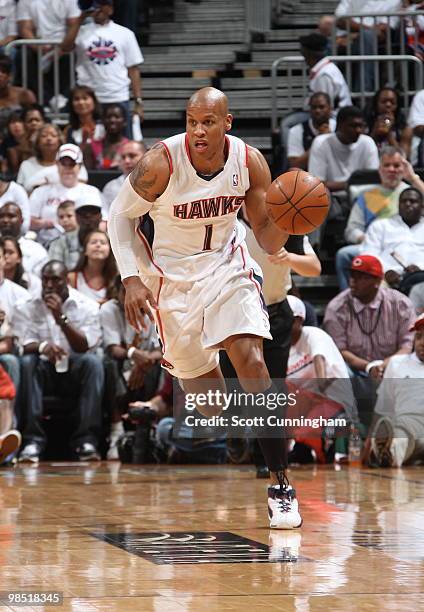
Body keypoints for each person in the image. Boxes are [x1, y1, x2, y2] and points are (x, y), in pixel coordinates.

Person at [108, 86, 302, 530]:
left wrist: (291, 220)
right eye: (192, 121)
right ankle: (237, 426)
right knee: (210, 404)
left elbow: (267, 238)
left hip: (227, 267)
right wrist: (131, 278)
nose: (198, 130)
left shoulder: (248, 161)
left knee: (253, 363)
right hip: (172, 283)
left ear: (226, 124)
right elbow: (119, 217)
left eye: (208, 122)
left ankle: (281, 484)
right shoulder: (161, 163)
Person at [18, 260, 104, 464]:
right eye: (45, 280)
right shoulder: (30, 305)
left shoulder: (87, 305)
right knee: (27, 362)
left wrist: (60, 318)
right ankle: (32, 441)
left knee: (93, 363)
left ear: (66, 280)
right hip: (44, 369)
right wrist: (42, 347)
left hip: (74, 369)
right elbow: (23, 344)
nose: (48, 285)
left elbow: (85, 345)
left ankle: (86, 441)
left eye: (54, 280)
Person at [323, 254, 415, 428]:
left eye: (361, 277)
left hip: (391, 365)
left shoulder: (399, 303)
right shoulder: (337, 307)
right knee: (338, 375)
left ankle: (402, 429)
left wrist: (384, 365)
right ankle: (348, 432)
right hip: (354, 369)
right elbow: (339, 351)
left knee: (407, 368)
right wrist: (369, 366)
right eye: (352, 276)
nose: (353, 281)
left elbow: (407, 345)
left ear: (377, 281)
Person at [335, 146, 424, 289]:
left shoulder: (411, 194)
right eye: (387, 165)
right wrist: (367, 239)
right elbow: (352, 229)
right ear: (379, 168)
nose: (391, 170)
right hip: (374, 244)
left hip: (408, 245)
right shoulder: (368, 196)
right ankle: (348, 299)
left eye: (396, 165)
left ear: (404, 168)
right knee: (344, 255)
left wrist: (413, 178)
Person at [286, 295, 356, 464]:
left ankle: (316, 444)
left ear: (298, 320)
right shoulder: (282, 347)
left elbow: (321, 369)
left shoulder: (314, 334)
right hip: (308, 402)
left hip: (332, 399)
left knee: (306, 441)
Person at [100, 276, 162, 459]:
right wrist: (135, 355)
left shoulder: (155, 308)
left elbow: (162, 350)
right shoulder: (109, 309)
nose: (130, 297)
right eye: (124, 291)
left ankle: (150, 428)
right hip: (121, 366)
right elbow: (112, 348)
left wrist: (142, 364)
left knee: (166, 365)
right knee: (106, 364)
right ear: (117, 292)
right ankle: (116, 429)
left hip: (146, 368)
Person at [68, 0, 144, 138]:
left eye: (102, 5)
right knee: (92, 141)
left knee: (123, 141)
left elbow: (133, 69)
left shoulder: (125, 33)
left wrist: (138, 101)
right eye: (95, 5)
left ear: (110, 9)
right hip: (89, 99)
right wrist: (80, 20)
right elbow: (65, 47)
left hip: (118, 95)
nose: (98, 9)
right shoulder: (81, 32)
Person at [363, 313, 424, 467]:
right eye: (419, 337)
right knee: (400, 434)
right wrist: (370, 438)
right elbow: (383, 409)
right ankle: (386, 453)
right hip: (408, 424)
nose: (422, 342)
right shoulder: (397, 364)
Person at [29, 143, 99, 246]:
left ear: (79, 166)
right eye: (63, 163)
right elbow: (28, 221)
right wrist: (45, 224)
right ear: (57, 164)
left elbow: (103, 221)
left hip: (82, 244)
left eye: (72, 164)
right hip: (46, 243)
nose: (67, 168)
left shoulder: (91, 192)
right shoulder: (41, 191)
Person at [17, 0, 82, 103]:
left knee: (71, 54)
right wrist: (38, 47)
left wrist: (63, 47)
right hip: (37, 45)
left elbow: (73, 26)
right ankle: (47, 99)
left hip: (63, 45)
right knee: (23, 55)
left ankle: (64, 100)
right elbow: (25, 28)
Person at [359, 187, 424, 278]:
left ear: (422, 206)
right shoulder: (381, 226)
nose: (408, 204)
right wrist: (386, 272)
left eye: (413, 201)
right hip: (385, 278)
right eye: (403, 201)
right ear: (398, 205)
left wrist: (420, 269)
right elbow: (369, 256)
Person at [48, 194, 103, 271]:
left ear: (101, 216)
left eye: (93, 212)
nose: (88, 215)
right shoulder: (60, 243)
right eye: (83, 212)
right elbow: (54, 273)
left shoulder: (112, 242)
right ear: (77, 216)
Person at [299, 32, 352, 112]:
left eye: (303, 51)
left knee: (289, 123)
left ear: (309, 53)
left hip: (334, 118)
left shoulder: (324, 75)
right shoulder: (324, 68)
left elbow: (324, 109)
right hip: (327, 115)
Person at [287, 92, 336, 170]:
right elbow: (295, 164)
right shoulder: (296, 130)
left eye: (321, 107)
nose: (317, 111)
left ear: (330, 108)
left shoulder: (338, 128)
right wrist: (318, 140)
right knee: (293, 170)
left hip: (334, 175)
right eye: (314, 107)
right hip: (309, 178)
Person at [67, 230, 117, 304]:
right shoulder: (72, 278)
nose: (98, 245)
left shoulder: (116, 278)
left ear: (110, 250)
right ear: (85, 251)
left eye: (103, 243)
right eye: (93, 242)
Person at [0, 202, 48, 275]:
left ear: (21, 221)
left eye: (11, 216)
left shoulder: (37, 250)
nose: (5, 220)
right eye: (1, 216)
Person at [102, 140, 146, 215]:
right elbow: (107, 216)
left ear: (145, 156)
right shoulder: (111, 187)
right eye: (123, 157)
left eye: (132, 156)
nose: (127, 161)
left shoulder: (159, 182)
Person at [0, 54, 36, 140]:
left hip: (22, 142)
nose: (0, 75)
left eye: (4, 71)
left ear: (10, 76)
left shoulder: (24, 94)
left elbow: (35, 120)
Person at [366, 87, 411, 154]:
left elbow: (403, 157)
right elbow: (363, 152)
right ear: (376, 104)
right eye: (384, 102)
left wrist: (388, 133)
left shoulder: (405, 129)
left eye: (392, 102)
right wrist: (375, 133)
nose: (388, 105)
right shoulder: (365, 125)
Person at [84, 104, 129, 170]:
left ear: (124, 122)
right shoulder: (91, 146)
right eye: (108, 117)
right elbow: (88, 174)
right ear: (103, 121)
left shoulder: (130, 147)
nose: (112, 120)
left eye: (117, 117)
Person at [7, 104, 45, 175]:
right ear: (24, 124)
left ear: (43, 122)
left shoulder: (53, 145)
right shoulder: (15, 151)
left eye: (37, 120)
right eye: (30, 121)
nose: (34, 123)